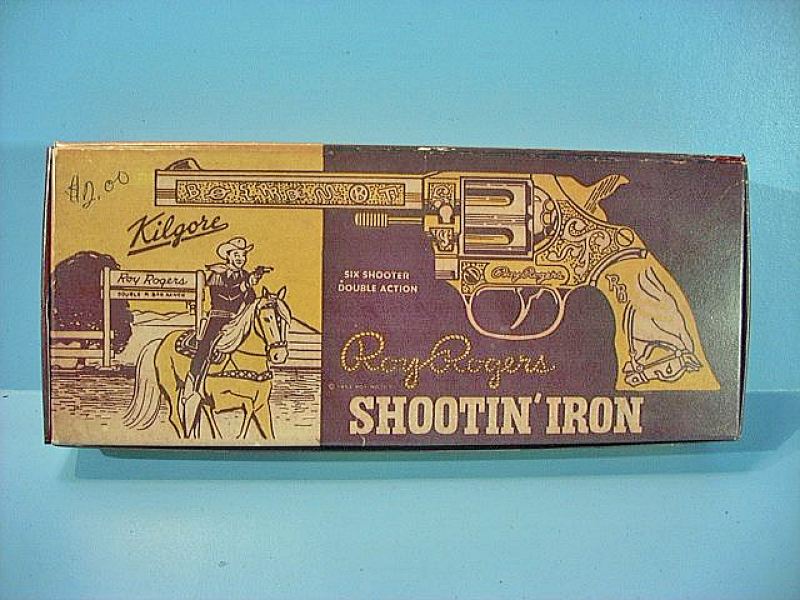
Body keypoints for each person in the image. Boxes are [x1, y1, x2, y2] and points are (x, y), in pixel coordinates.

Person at [184, 237, 269, 398]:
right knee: (206, 346)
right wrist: (246, 284)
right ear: (228, 256)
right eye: (236, 254)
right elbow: (226, 297)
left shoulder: (245, 275)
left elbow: (250, 299)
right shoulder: (217, 274)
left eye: (243, 255)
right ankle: (192, 380)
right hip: (218, 318)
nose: (240, 258)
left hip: (237, 320)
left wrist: (252, 288)